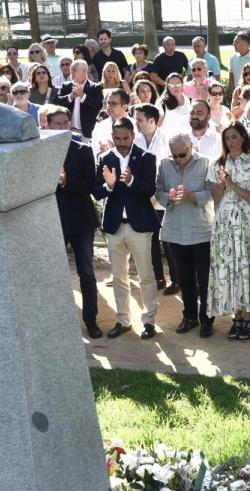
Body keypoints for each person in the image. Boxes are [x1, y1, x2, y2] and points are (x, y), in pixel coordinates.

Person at [207, 121, 250, 340]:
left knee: (247, 266)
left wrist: (232, 184)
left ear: (243, 138)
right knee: (231, 267)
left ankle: (247, 317)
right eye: (227, 138)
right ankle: (236, 316)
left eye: (234, 137)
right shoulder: (217, 164)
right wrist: (220, 182)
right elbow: (216, 198)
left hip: (247, 221)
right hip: (224, 222)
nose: (231, 141)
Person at [94, 118, 160, 340]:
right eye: (117, 138)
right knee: (119, 276)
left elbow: (150, 188)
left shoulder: (146, 157)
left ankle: (149, 321)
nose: (121, 142)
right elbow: (97, 192)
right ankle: (123, 320)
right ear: (113, 137)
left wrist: (131, 181)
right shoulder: (104, 158)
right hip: (114, 226)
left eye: (125, 138)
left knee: (146, 276)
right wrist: (109, 185)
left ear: (133, 136)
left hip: (139, 226)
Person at [44, 106, 103, 338]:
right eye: (57, 123)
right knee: (55, 274)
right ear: (47, 125)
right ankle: (58, 321)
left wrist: (67, 182)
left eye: (65, 122)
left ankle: (91, 320)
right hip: (53, 221)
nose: (62, 126)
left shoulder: (83, 150)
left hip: (81, 221)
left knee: (86, 273)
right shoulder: (40, 152)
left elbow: (90, 185)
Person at [156, 134, 216, 337]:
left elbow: (212, 193)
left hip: (201, 229)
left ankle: (207, 319)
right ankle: (189, 316)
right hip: (174, 230)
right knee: (184, 278)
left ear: (192, 147)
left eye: (183, 154)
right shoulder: (164, 164)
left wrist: (192, 196)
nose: (179, 159)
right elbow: (158, 191)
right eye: (175, 156)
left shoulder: (207, 163)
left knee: (205, 277)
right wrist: (168, 197)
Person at [132, 103, 177, 295]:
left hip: (164, 196)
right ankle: (158, 277)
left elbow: (170, 168)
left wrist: (156, 193)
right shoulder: (135, 140)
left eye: (140, 119)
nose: (136, 122)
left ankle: (176, 280)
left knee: (168, 240)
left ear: (152, 121)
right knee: (149, 239)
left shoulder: (168, 138)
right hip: (143, 196)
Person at [57, 59, 104, 137]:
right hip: (67, 131)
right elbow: (56, 101)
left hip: (87, 132)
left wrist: (83, 96)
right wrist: (70, 97)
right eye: (71, 69)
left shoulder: (95, 87)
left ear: (84, 71)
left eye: (74, 69)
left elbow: (98, 105)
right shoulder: (65, 86)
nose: (71, 72)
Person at [91, 88, 131, 154]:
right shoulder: (99, 126)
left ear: (125, 107)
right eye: (108, 103)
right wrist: (99, 154)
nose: (109, 106)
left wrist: (116, 150)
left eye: (114, 103)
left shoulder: (136, 126)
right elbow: (93, 151)